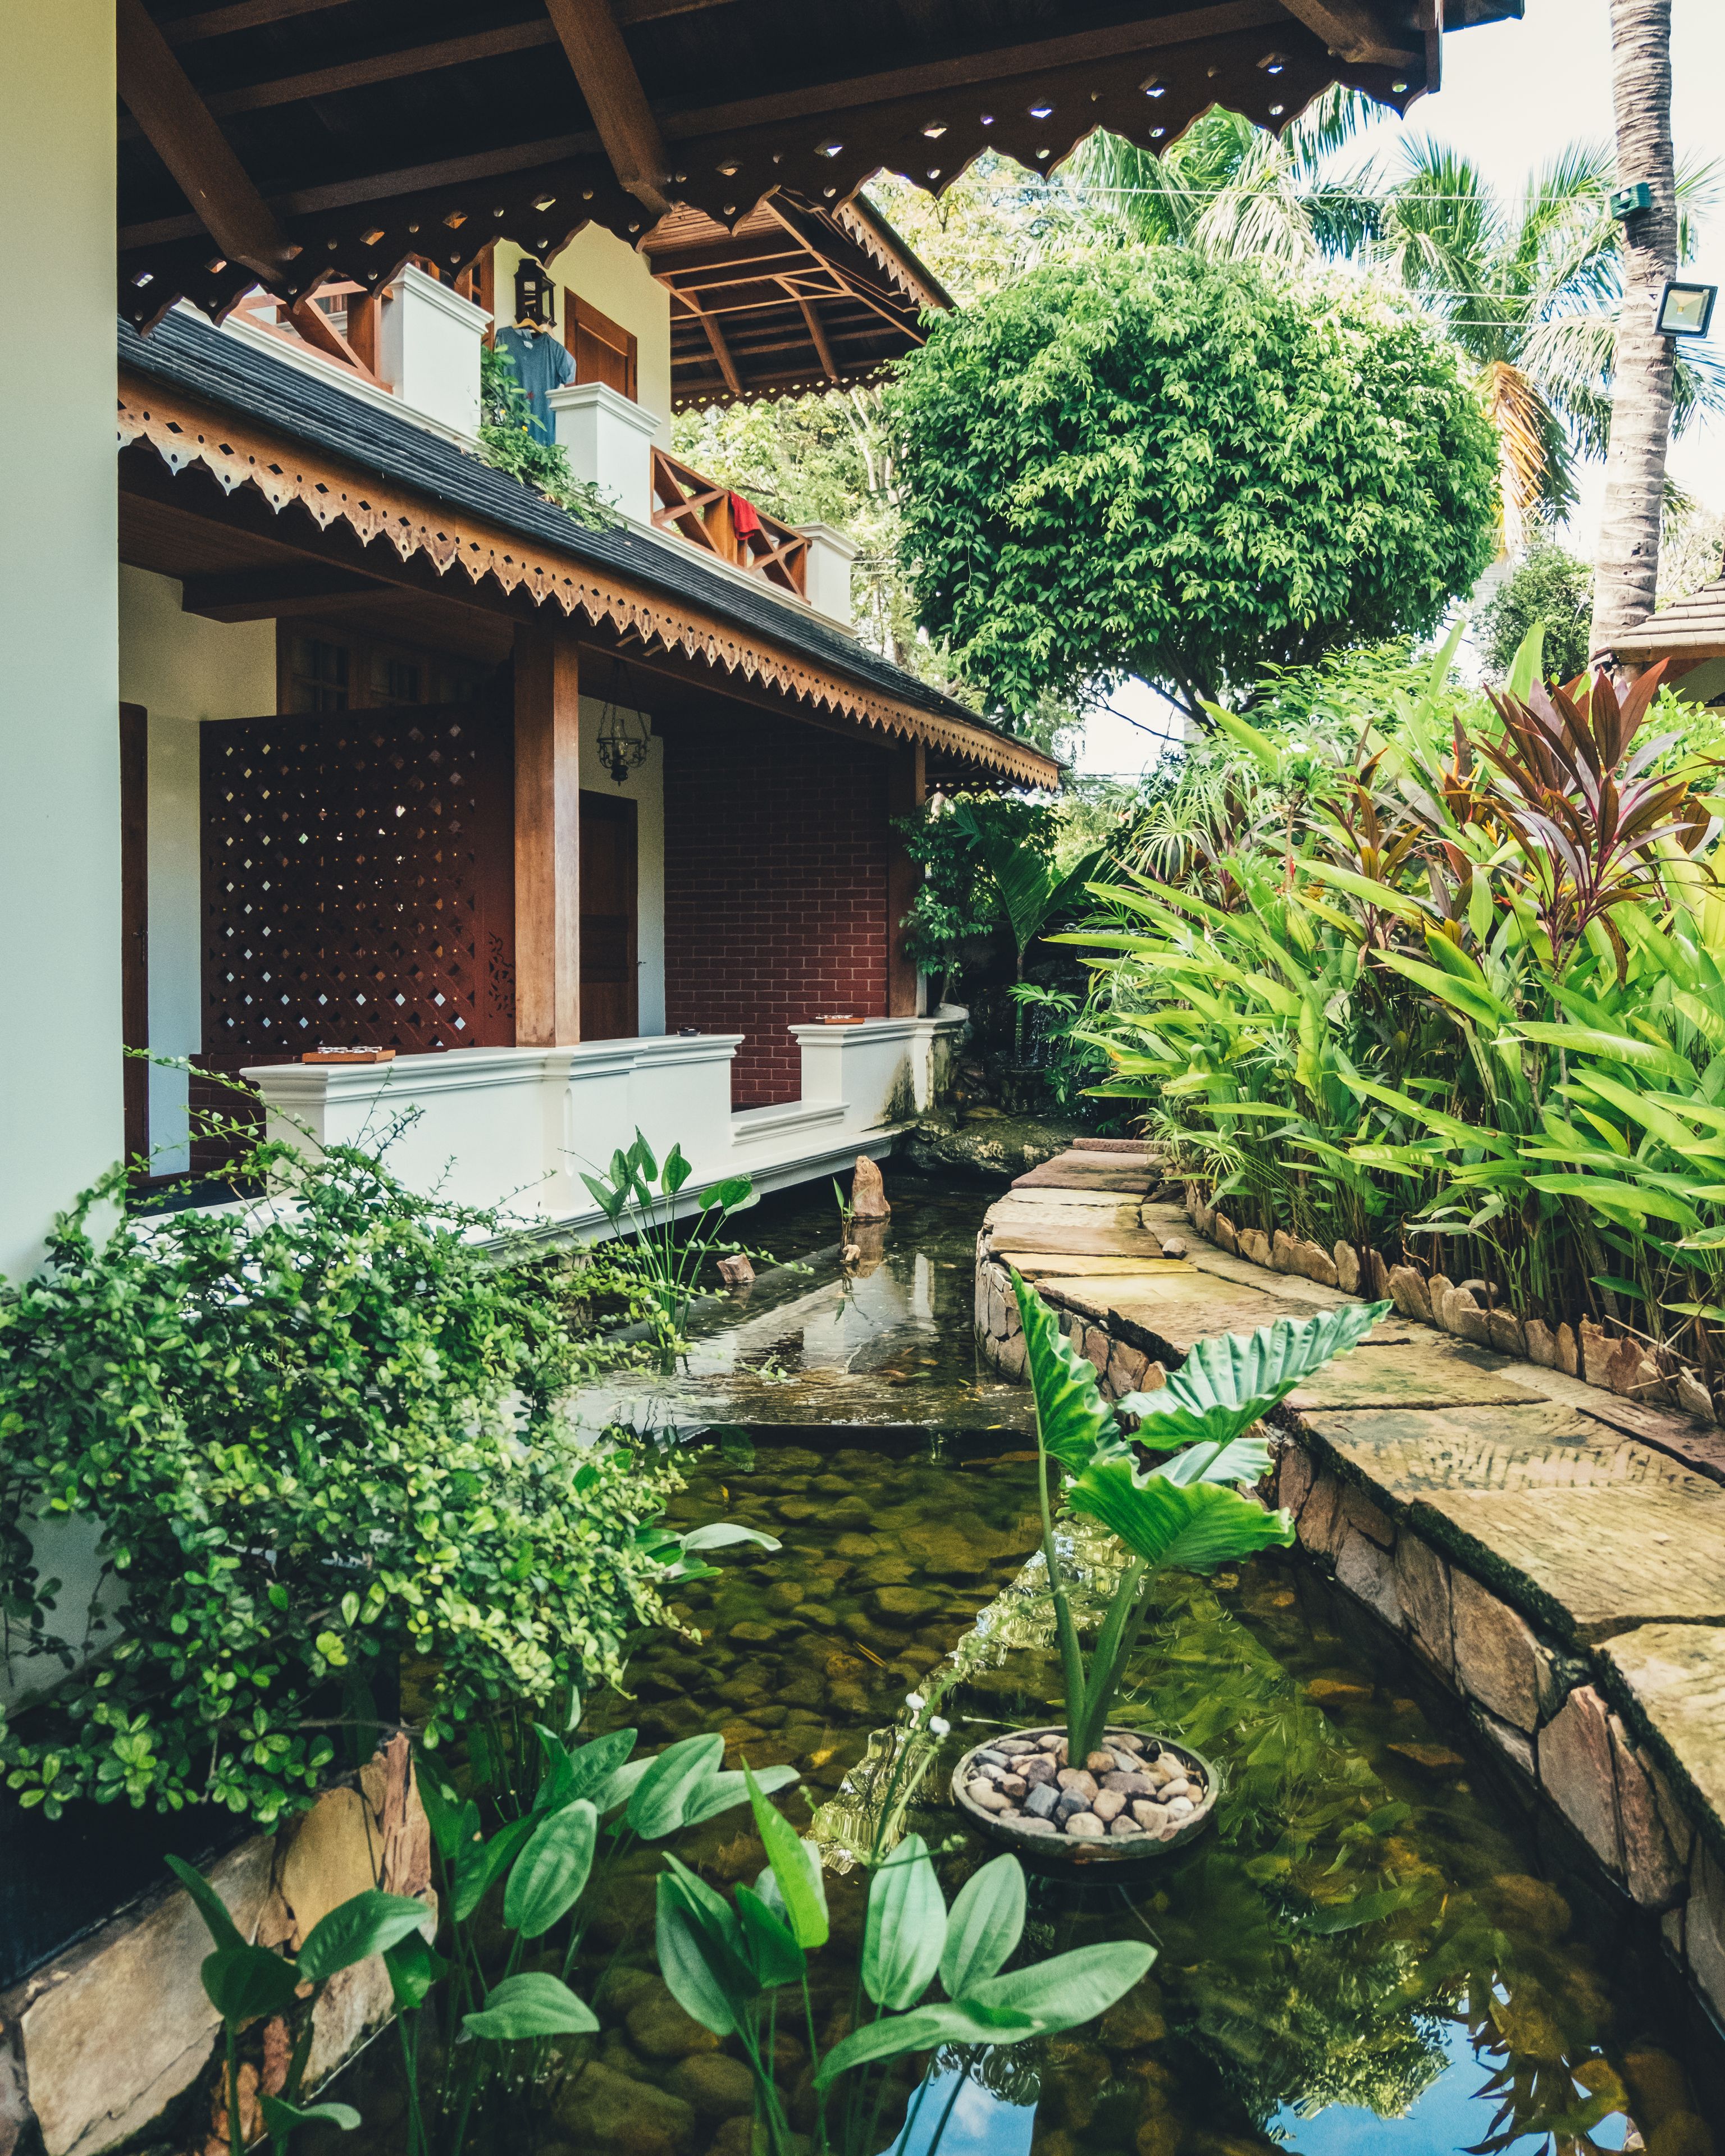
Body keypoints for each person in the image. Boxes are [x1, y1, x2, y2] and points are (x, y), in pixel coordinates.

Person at [493, 260, 574, 446]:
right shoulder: (504, 337)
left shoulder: (551, 348)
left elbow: (570, 373)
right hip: (512, 431)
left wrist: (551, 337)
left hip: (541, 434)